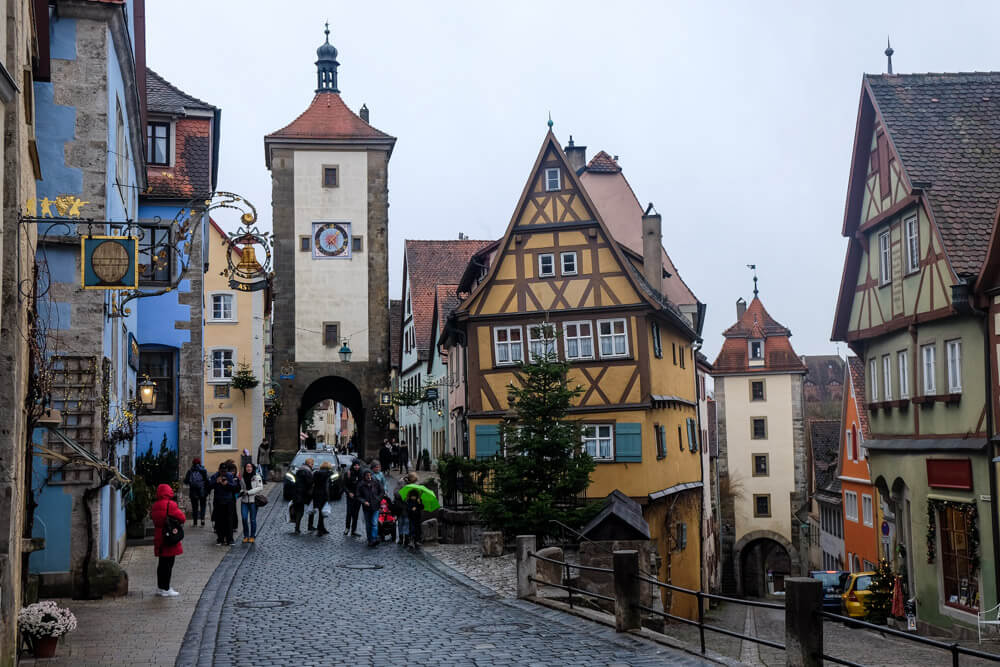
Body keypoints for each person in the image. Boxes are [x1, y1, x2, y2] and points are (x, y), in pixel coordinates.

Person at [150, 484, 186, 596]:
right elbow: (182, 518)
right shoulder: (170, 504)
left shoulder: (155, 505)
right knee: (168, 564)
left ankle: (160, 587)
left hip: (159, 536)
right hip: (169, 537)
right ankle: (166, 588)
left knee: (162, 564)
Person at [356, 469, 381, 547]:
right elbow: (358, 495)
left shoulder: (376, 482)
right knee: (368, 524)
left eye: (370, 475)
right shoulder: (361, 484)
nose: (369, 477)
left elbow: (382, 491)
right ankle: (370, 539)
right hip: (367, 507)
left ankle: (374, 539)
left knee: (374, 523)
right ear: (364, 476)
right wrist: (364, 501)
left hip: (375, 506)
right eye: (367, 475)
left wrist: (378, 499)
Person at [239, 462, 263, 543]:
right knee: (244, 518)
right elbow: (241, 488)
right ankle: (246, 536)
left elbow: (260, 487)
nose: (248, 468)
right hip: (244, 501)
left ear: (252, 468)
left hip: (253, 501)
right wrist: (242, 491)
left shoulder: (257, 476)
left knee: (252, 519)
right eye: (247, 467)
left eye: (250, 467)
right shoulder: (242, 477)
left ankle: (252, 536)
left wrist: (249, 492)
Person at [212, 471, 237, 546]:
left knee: (229, 521)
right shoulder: (215, 475)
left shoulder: (230, 476)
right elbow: (209, 486)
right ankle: (220, 539)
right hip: (218, 502)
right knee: (220, 520)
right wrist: (216, 482)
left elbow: (235, 488)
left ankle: (229, 539)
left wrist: (227, 484)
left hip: (229, 502)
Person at [182, 457, 208, 526]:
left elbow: (186, 481)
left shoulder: (190, 471)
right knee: (203, 506)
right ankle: (202, 521)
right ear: (200, 463)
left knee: (194, 507)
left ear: (192, 463)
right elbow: (207, 481)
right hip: (202, 491)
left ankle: (195, 522)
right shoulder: (203, 470)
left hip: (193, 491)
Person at [291, 457, 314, 534]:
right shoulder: (307, 471)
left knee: (299, 512)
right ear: (308, 464)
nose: (313, 465)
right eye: (312, 464)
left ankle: (297, 528)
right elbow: (309, 483)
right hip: (305, 494)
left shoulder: (299, 470)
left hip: (297, 493)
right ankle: (310, 526)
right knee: (311, 509)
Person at [312, 461, 333, 536]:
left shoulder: (316, 473)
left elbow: (313, 483)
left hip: (316, 494)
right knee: (322, 513)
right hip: (323, 494)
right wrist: (328, 497)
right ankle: (320, 530)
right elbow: (326, 486)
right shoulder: (328, 474)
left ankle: (321, 528)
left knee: (321, 512)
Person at [343, 460, 362, 536]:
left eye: (358, 465)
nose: (357, 467)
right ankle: (347, 528)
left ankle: (353, 530)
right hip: (350, 496)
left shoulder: (361, 473)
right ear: (353, 465)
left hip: (358, 497)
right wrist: (349, 492)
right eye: (355, 465)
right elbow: (344, 485)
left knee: (356, 514)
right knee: (349, 513)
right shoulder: (348, 473)